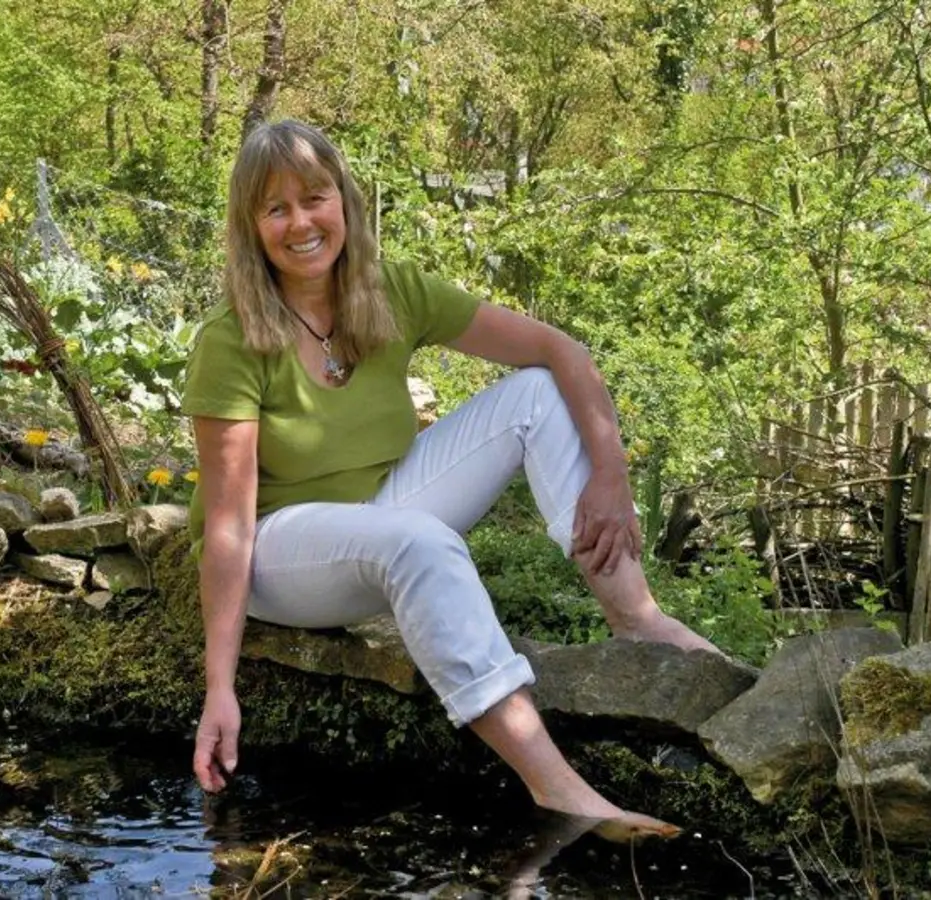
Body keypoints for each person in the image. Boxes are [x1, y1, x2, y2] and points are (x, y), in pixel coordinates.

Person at [180, 119, 719, 841]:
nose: (301, 222)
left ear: (345, 200)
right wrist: (220, 688)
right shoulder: (231, 340)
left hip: (379, 512)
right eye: (275, 208)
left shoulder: (390, 290)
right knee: (419, 542)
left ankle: (636, 619)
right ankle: (558, 789)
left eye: (314, 198)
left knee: (536, 392)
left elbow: (562, 349)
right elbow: (228, 525)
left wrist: (612, 475)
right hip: (280, 556)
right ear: (251, 226)